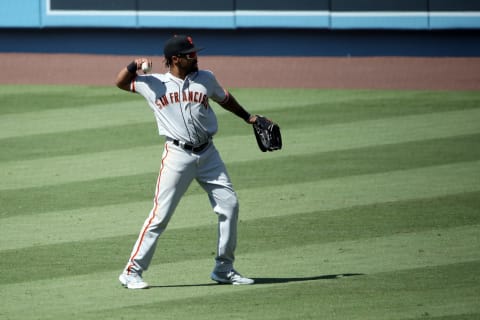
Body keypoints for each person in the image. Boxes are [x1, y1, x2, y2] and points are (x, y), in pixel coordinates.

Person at [115, 34, 259, 289]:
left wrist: (249, 118)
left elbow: (225, 99)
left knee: (230, 206)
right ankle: (131, 272)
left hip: (209, 154)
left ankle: (224, 269)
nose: (196, 57)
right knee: (160, 216)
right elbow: (121, 83)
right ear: (175, 60)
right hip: (177, 156)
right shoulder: (152, 84)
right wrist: (132, 65)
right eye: (190, 54)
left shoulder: (206, 78)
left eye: (195, 53)